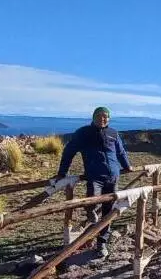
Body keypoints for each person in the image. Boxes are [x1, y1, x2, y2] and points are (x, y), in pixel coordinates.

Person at [56, 106, 132, 259]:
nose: (102, 119)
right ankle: (90, 211)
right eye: (99, 116)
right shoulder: (83, 133)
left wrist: (126, 166)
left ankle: (101, 243)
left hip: (113, 176)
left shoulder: (113, 133)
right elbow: (69, 151)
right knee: (92, 201)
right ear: (93, 117)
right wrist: (62, 173)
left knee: (108, 211)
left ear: (109, 119)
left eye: (105, 116)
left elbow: (120, 151)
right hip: (95, 176)